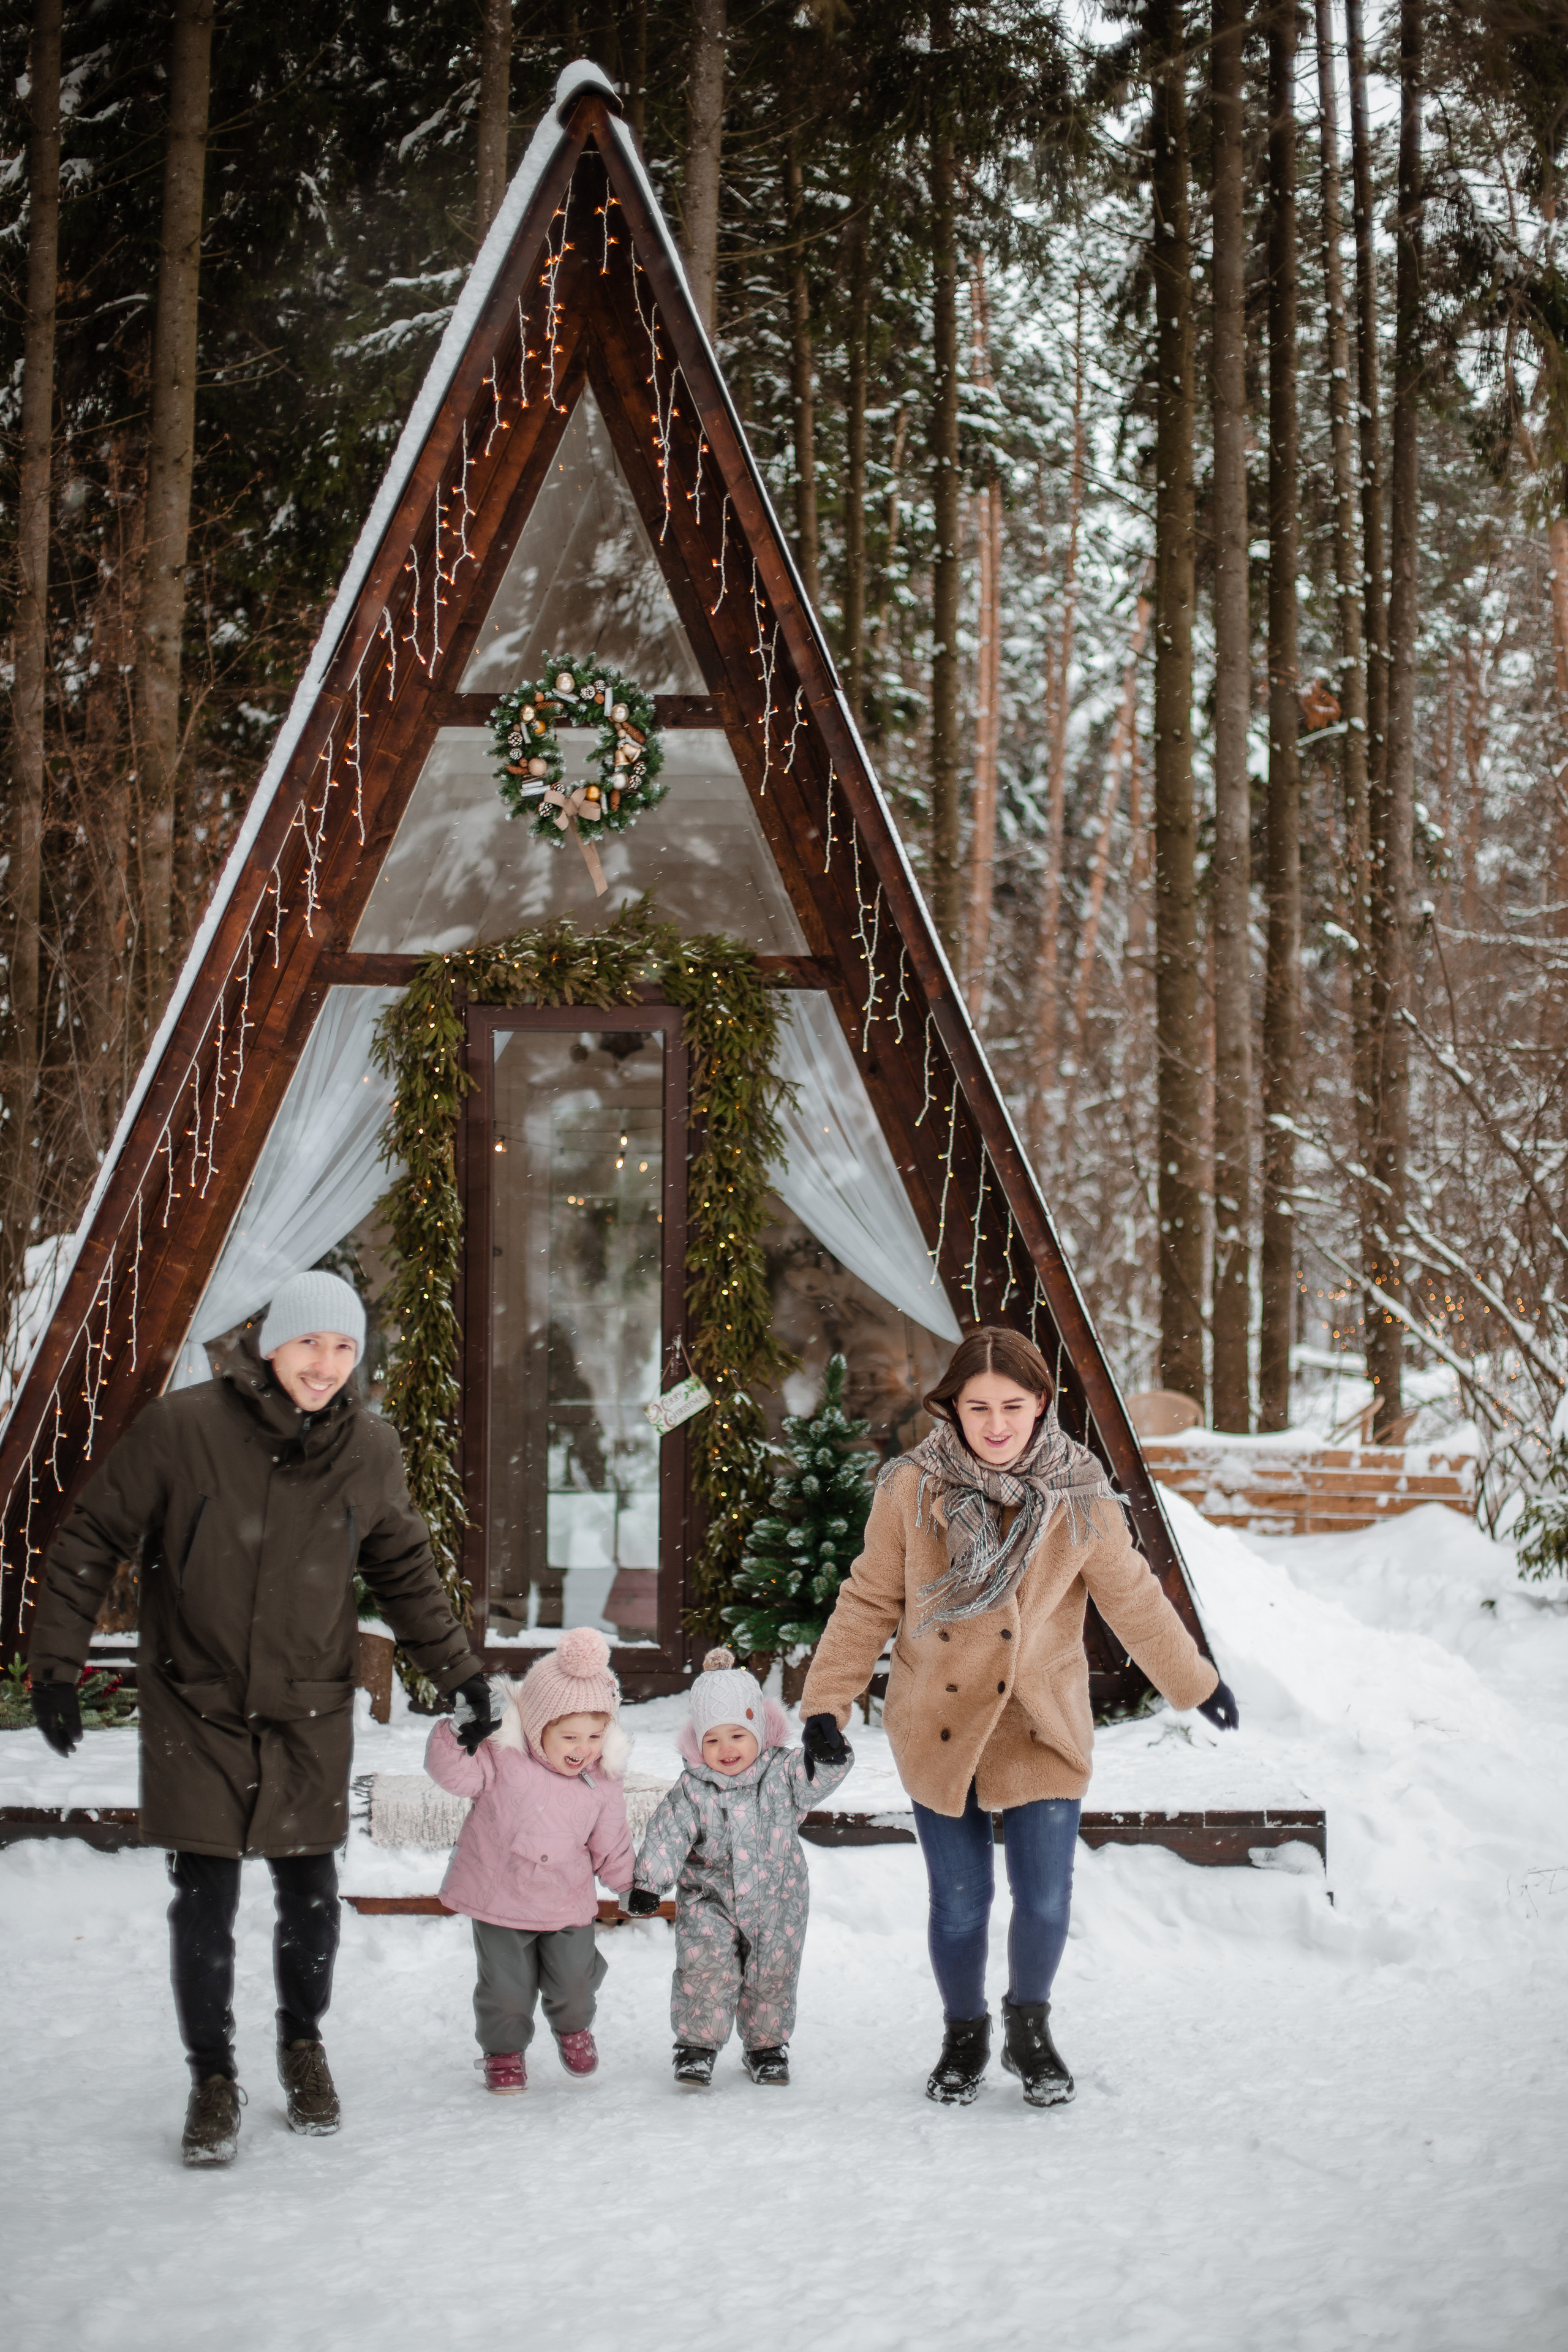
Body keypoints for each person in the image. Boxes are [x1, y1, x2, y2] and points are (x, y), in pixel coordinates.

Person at [25, 1268, 496, 2166]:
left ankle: (302, 2047)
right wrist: (56, 1665)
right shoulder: (184, 1428)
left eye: (344, 1348)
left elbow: (405, 1572)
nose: (325, 1365)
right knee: (203, 1898)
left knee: (309, 1896)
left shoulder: (370, 1449)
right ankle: (212, 2078)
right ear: (271, 1341)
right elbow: (92, 1535)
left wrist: (463, 1677)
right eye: (311, 1343)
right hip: (192, 1702)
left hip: (306, 1706)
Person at [796, 1325, 1239, 2110]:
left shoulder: (1079, 1493)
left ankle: (1028, 2027)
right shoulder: (910, 1488)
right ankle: (963, 2034)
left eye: (1011, 1405)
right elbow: (869, 1598)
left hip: (1040, 1719)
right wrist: (826, 1704)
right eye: (976, 1407)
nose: (994, 1425)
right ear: (951, 1409)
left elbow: (1131, 1596)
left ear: (1040, 1405)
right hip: (939, 1716)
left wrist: (1193, 1683)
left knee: (1043, 1899)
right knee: (961, 1901)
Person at [625, 1645, 854, 2089]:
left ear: (758, 1730)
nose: (725, 1749)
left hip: (779, 1899)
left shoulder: (783, 1773)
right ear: (698, 1742)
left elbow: (817, 1781)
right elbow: (668, 1833)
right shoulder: (693, 1789)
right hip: (709, 1899)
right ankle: (696, 2047)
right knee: (704, 1969)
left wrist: (830, 1756)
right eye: (712, 1739)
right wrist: (650, 1882)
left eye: (737, 1735)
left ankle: (766, 2047)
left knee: (773, 1972)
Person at [424, 1626, 634, 2094]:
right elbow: (453, 1774)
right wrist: (456, 1733)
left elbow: (611, 1840)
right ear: (538, 1728)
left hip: (566, 1903)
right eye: (570, 1737)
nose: (584, 1750)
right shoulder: (501, 1757)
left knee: (575, 1984)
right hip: (501, 1899)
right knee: (506, 1991)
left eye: (596, 1736)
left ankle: (574, 2027)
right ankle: (504, 2052)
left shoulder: (603, 1779)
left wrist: (630, 1884)